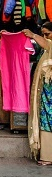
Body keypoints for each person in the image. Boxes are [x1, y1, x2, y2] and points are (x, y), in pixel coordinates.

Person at [24, 22, 52, 166]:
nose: (45, 37)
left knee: (48, 120)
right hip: (47, 92)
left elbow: (47, 44)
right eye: (43, 34)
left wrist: (33, 35)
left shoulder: (49, 46)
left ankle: (48, 156)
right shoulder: (46, 49)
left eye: (47, 33)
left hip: (49, 93)